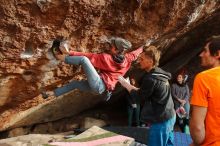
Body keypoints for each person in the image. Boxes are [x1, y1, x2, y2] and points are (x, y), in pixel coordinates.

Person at [41, 37, 143, 101]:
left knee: (84, 60)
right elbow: (136, 53)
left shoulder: (106, 58)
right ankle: (50, 94)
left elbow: (89, 56)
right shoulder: (128, 59)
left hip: (99, 84)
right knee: (75, 84)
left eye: (111, 46)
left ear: (116, 50)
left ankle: (61, 57)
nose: (109, 47)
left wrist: (69, 52)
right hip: (101, 90)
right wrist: (142, 47)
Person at [118, 45, 176, 146]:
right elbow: (144, 91)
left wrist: (125, 84)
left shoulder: (150, 79)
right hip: (170, 115)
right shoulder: (159, 73)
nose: (139, 61)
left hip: (161, 121)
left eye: (142, 59)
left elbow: (138, 98)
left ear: (150, 61)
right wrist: (131, 86)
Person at [190, 36, 220, 146]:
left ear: (217, 54)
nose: (201, 54)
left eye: (205, 51)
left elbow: (198, 128)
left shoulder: (203, 78)